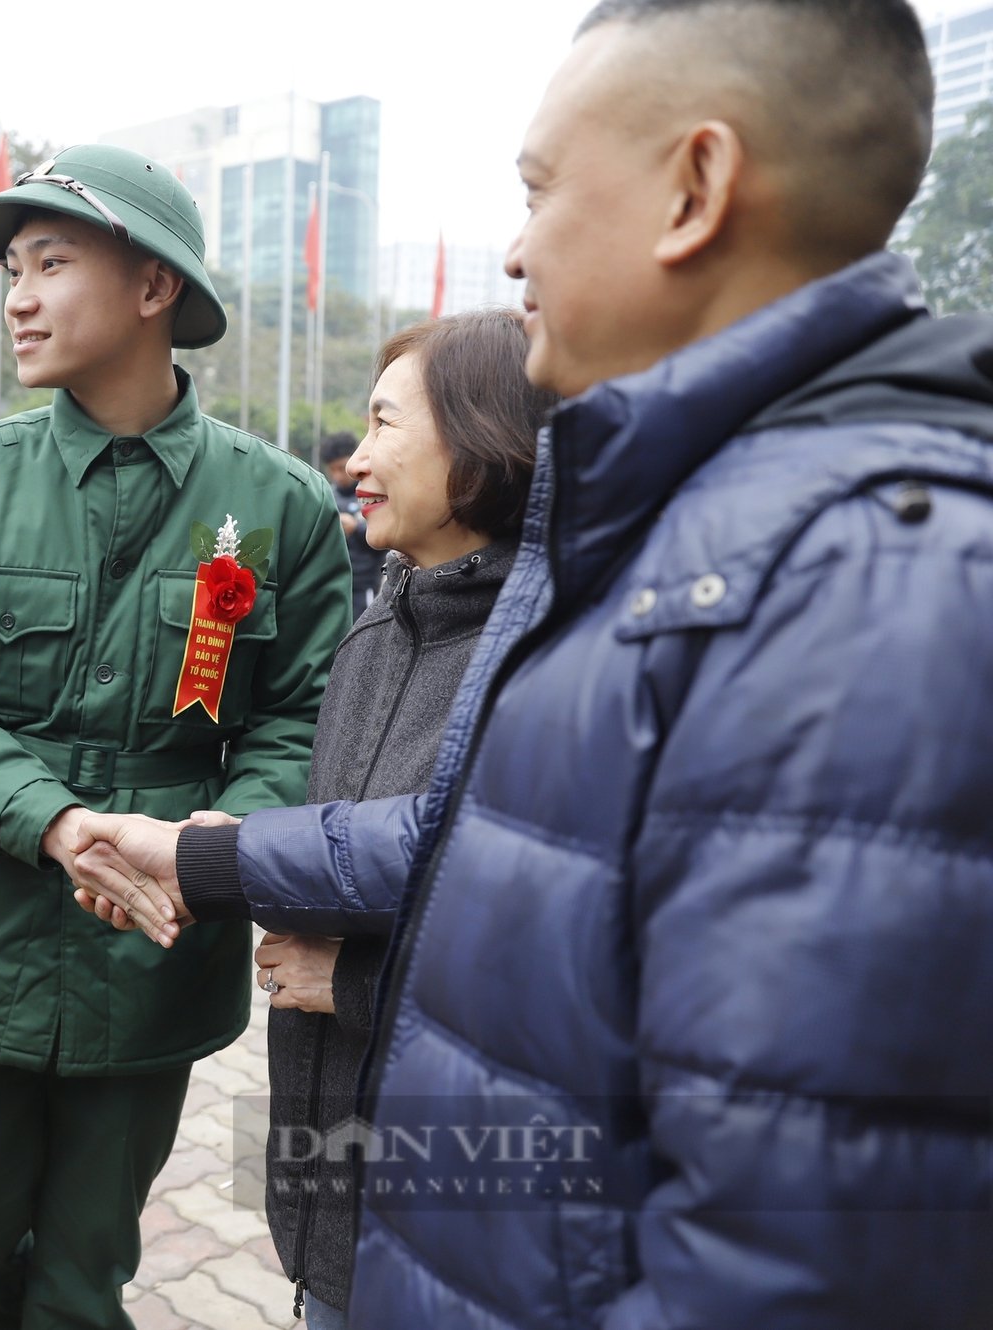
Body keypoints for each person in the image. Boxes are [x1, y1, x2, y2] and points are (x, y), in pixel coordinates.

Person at [71, 2, 993, 1323]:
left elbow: (794, 1261)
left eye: (542, 189)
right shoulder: (655, 526)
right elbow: (464, 846)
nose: (514, 248)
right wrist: (202, 858)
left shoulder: (877, 582)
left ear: (698, 186)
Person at [0, 143, 351, 1329]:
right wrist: (59, 823)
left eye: (50, 263)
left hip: (152, 955)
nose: (16, 296)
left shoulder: (277, 506)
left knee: (84, 1277)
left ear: (152, 290)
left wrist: (218, 833)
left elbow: (298, 709)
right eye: (11, 270)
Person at [79, 310, 552, 1328]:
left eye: (384, 424)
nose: (355, 458)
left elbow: (511, 924)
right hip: (327, 1167)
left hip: (463, 1203)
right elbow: (345, 840)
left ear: (477, 439)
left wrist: (352, 979)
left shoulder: (542, 657)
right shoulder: (378, 625)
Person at [322, 431, 385, 606]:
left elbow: (387, 539)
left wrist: (355, 527)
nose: (338, 476)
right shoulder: (327, 497)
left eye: (341, 468)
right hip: (335, 587)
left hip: (365, 586)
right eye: (332, 469)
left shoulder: (373, 494)